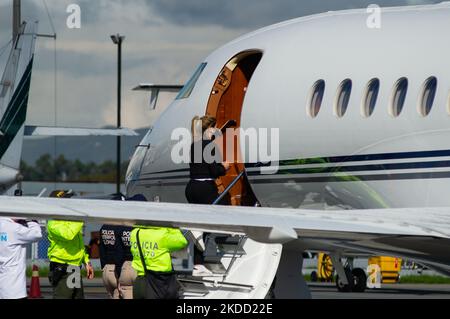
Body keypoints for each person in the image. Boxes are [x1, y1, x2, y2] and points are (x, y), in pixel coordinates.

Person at [47, 190, 94, 299]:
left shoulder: (70, 220)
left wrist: (86, 262)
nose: (69, 203)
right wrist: (82, 217)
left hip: (73, 267)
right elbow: (69, 234)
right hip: (63, 267)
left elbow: (79, 244)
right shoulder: (53, 223)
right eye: (66, 201)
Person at [130, 224, 188, 299]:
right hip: (159, 282)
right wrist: (172, 227)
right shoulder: (162, 234)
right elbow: (182, 241)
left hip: (140, 281)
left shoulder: (135, 232)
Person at [185, 115, 230, 205]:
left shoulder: (194, 144)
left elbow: (202, 166)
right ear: (210, 128)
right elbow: (215, 171)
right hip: (205, 189)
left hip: (191, 188)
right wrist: (225, 167)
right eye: (216, 127)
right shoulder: (210, 145)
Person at [0, 218, 42, 299]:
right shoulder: (14, 228)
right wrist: (31, 222)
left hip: (3, 282)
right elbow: (37, 234)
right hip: (14, 289)